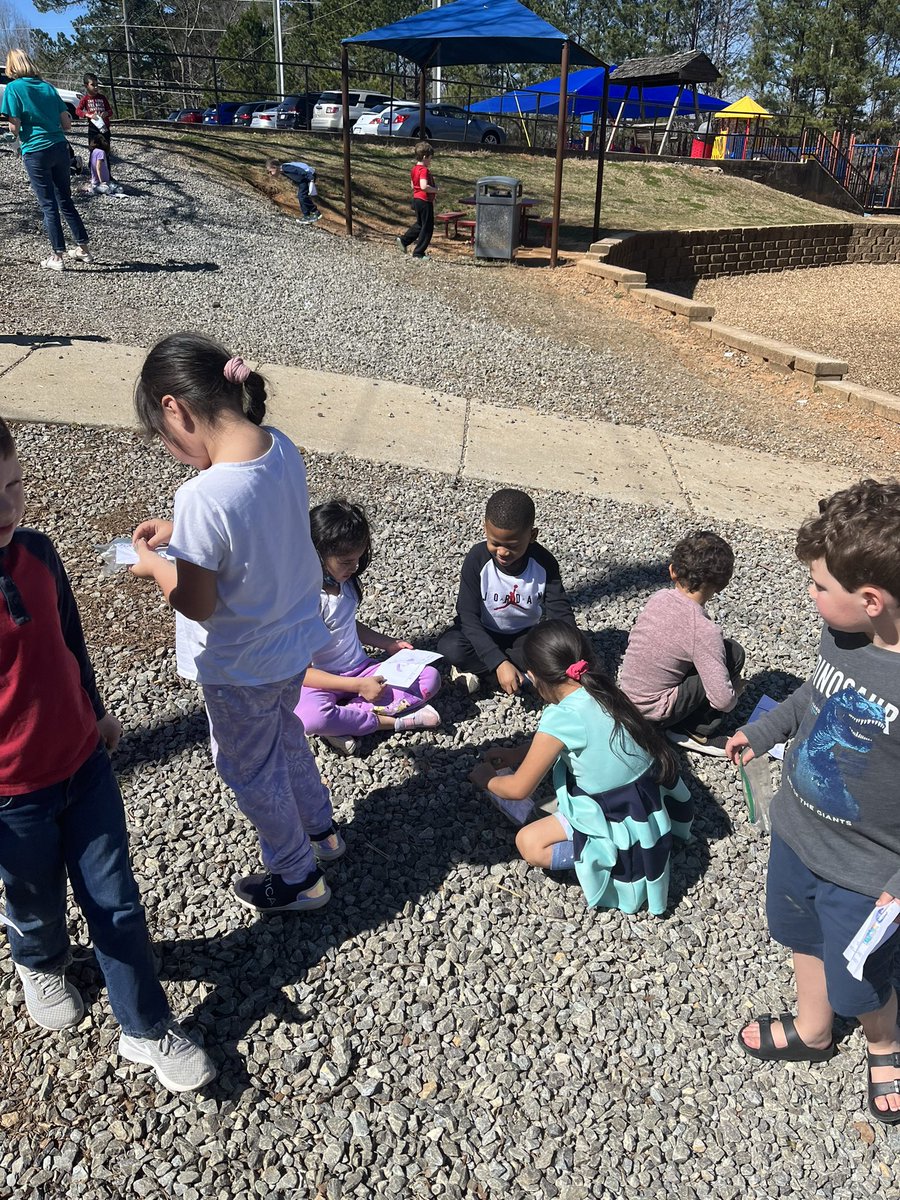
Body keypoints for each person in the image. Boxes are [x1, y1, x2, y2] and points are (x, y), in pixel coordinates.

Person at [0, 416, 215, 1093]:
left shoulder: (38, 552)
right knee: (34, 899)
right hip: (12, 798)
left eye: (14, 486)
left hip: (83, 766)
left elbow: (68, 640)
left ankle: (145, 1027)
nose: (8, 507)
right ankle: (38, 959)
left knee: (115, 901)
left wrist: (95, 711)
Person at [130, 332, 344, 915]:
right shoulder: (281, 446)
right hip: (293, 647)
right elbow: (257, 527)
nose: (170, 447)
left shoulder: (202, 496)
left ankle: (298, 878)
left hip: (240, 666)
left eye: (163, 434)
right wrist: (181, 534)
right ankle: (323, 832)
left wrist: (155, 565)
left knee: (250, 770)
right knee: (286, 736)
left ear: (175, 408)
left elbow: (196, 603)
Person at [726, 480, 900, 1125]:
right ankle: (813, 1027)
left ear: (871, 600)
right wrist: (765, 730)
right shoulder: (844, 637)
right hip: (797, 833)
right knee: (800, 934)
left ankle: (883, 1044)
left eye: (819, 586)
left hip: (866, 873)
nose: (810, 594)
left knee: (860, 974)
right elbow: (812, 696)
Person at [470, 621, 692, 913]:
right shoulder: (604, 689)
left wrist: (487, 780)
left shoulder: (560, 717)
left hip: (613, 813)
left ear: (533, 677)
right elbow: (560, 742)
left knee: (529, 843)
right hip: (646, 802)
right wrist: (516, 755)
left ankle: (601, 858)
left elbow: (518, 788)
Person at [295, 499, 442, 756]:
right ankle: (389, 722)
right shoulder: (306, 600)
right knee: (311, 718)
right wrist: (359, 687)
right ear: (317, 554)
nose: (354, 568)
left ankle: (345, 719)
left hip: (360, 668)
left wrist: (388, 644)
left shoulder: (346, 584)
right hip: (322, 680)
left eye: (358, 559)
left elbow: (347, 624)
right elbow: (303, 673)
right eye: (346, 561)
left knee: (430, 677)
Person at [436, 488, 575, 695]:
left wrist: (571, 654)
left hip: (524, 637)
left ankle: (490, 675)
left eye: (512, 546)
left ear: (532, 536)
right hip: (483, 632)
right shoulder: (477, 559)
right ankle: (519, 679)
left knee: (554, 650)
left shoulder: (544, 563)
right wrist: (498, 662)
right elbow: (467, 615)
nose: (502, 552)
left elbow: (560, 612)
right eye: (495, 543)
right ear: (485, 528)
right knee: (451, 646)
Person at [619, 531, 745, 756]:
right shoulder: (704, 630)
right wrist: (734, 692)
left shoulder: (658, 598)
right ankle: (694, 729)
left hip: (627, 698)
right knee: (733, 653)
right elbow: (723, 701)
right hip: (654, 713)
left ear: (672, 571)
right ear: (722, 585)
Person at [2, 48, 92, 271]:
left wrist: (11, 134)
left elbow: (14, 127)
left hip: (36, 150)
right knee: (65, 200)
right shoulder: (48, 87)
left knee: (48, 204)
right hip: (60, 148)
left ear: (12, 67)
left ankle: (57, 256)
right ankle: (83, 248)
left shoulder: (13, 88)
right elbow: (67, 124)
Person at [396, 141, 436, 260]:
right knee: (427, 227)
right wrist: (435, 190)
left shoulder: (414, 169)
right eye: (430, 158)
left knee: (420, 224)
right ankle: (419, 252)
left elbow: (413, 185)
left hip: (416, 199)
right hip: (424, 200)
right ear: (424, 157)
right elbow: (423, 186)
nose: (430, 161)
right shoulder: (424, 170)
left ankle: (404, 240)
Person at [266, 157, 320, 223]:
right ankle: (308, 215)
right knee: (301, 196)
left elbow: (298, 170)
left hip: (307, 177)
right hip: (304, 179)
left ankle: (314, 213)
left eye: (270, 171)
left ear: (275, 167)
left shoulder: (285, 167)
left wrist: (309, 176)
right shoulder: (284, 169)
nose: (270, 174)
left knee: (302, 196)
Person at [75, 74, 113, 162]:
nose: (96, 87)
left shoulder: (102, 98)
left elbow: (110, 111)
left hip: (104, 128)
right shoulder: (85, 99)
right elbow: (78, 110)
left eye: (97, 85)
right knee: (93, 150)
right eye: (93, 85)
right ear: (86, 86)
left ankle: (106, 169)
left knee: (106, 151)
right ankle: (93, 168)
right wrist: (88, 115)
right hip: (93, 129)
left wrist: (106, 113)